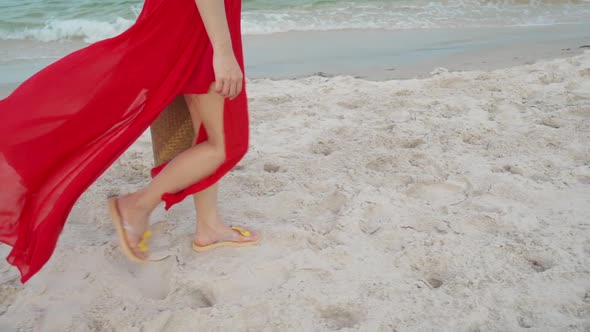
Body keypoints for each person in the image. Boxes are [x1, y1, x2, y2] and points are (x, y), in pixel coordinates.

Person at [0, 0, 258, 283]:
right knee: (225, 145)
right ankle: (136, 206)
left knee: (204, 132)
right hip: (195, 23)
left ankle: (208, 227)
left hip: (191, 20)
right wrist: (222, 51)